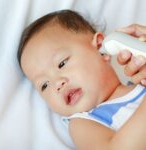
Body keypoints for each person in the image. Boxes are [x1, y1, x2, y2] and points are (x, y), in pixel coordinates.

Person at [17, 10, 146, 150]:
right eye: (44, 85)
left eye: (62, 63)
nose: (57, 84)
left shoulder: (141, 83)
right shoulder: (84, 122)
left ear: (99, 46)